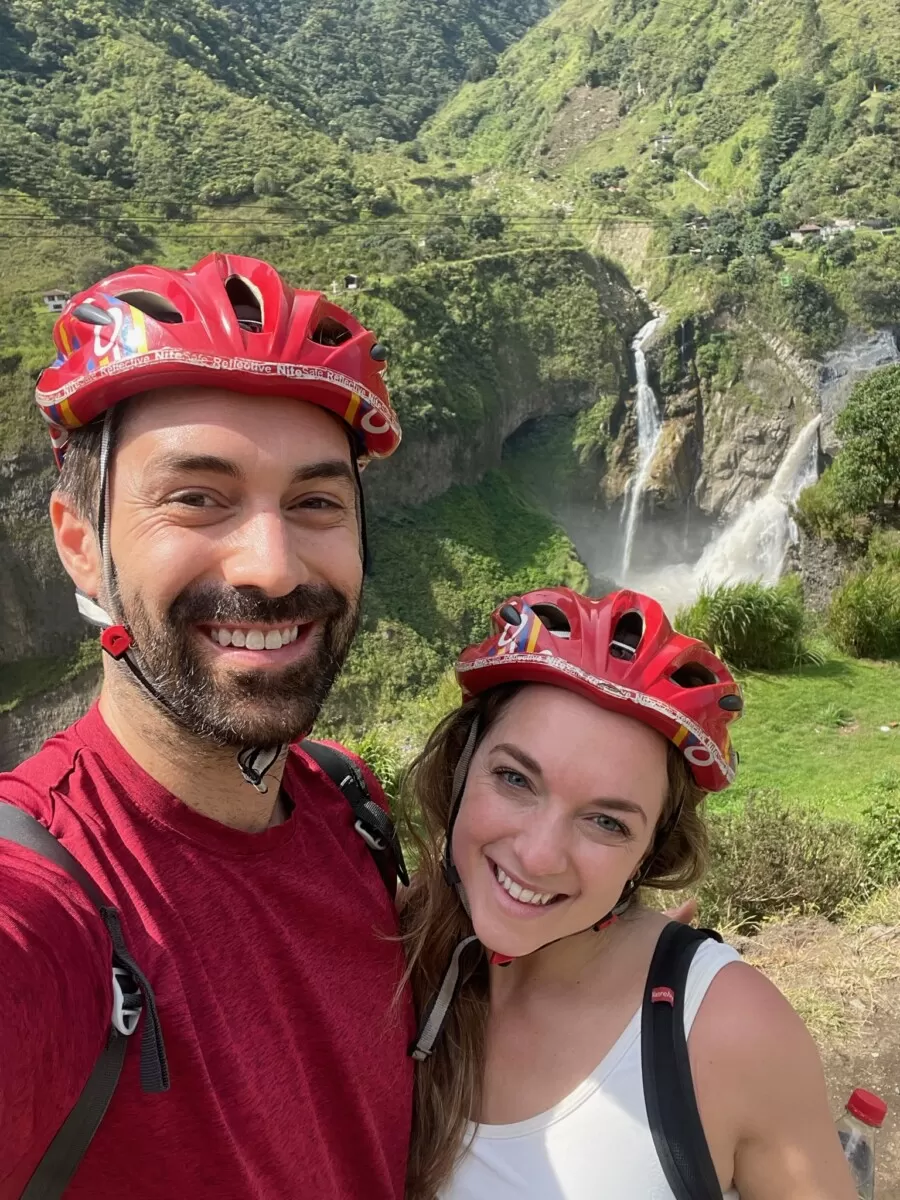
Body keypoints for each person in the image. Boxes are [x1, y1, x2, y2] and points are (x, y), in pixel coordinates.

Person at [0, 253, 413, 1198]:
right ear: (79, 544)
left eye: (315, 502)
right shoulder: (45, 892)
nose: (269, 566)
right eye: (197, 497)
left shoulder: (350, 806)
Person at [399, 587, 857, 1200]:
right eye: (514, 779)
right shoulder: (388, 947)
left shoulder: (729, 1036)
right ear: (460, 766)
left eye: (607, 822)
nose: (538, 856)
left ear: (650, 856)